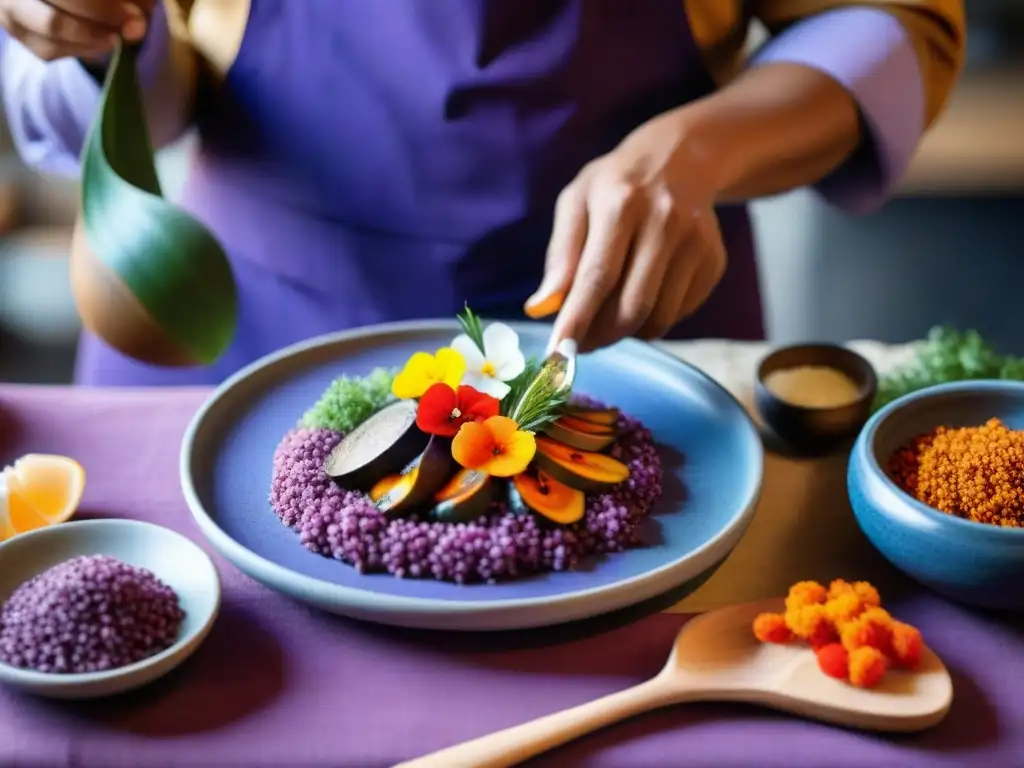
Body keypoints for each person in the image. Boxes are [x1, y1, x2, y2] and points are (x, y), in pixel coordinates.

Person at [0, 0, 965, 387]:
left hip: (627, 328)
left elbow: (891, 23)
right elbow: (151, 85)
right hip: (243, 336)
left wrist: (697, 152)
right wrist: (93, 34)